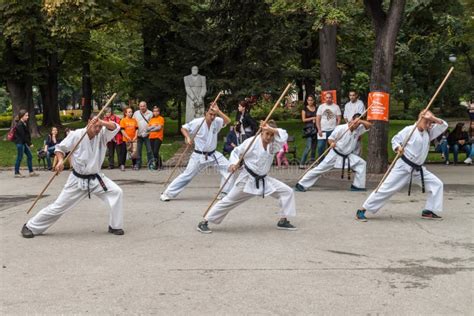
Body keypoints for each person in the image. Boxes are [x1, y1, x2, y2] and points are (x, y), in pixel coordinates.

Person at [21, 114, 124, 238]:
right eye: (95, 126)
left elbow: (115, 127)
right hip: (77, 180)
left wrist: (102, 122)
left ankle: (114, 226)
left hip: (96, 178)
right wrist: (60, 161)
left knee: (116, 192)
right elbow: (60, 148)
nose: (97, 129)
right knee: (58, 206)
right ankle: (30, 226)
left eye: (99, 126)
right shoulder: (76, 135)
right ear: (89, 122)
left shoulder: (102, 134)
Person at [197, 120, 296, 233]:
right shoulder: (252, 142)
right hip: (247, 180)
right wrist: (234, 164)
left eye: (271, 134)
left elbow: (284, 135)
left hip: (263, 180)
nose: (269, 137)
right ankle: (204, 221)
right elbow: (236, 152)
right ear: (261, 132)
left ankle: (283, 220)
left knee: (287, 192)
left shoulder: (273, 144)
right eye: (267, 133)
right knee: (229, 200)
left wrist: (271, 129)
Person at [355, 110, 448, 222]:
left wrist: (433, 118)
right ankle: (362, 210)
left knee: (437, 184)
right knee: (386, 188)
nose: (429, 125)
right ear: (421, 118)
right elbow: (395, 140)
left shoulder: (429, 132)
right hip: (403, 167)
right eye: (427, 122)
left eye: (431, 122)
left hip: (418, 169)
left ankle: (428, 211)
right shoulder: (409, 130)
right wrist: (398, 148)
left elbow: (444, 126)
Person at [160, 102, 232, 202]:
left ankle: (224, 193)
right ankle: (167, 193)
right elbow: (183, 128)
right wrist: (188, 137)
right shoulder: (198, 122)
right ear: (206, 113)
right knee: (187, 176)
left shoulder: (217, 121)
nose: (212, 117)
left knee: (229, 169)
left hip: (213, 154)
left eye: (214, 115)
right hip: (199, 155)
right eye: (210, 114)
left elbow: (228, 121)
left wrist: (218, 111)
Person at [295, 114, 372, 192]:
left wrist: (360, 121)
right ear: (351, 120)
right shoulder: (341, 128)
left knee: (361, 163)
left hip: (347, 155)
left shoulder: (358, 129)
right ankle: (301, 184)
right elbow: (330, 139)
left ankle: (358, 186)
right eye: (355, 122)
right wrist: (332, 143)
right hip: (335, 154)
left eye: (358, 124)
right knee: (320, 169)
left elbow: (369, 125)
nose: (356, 125)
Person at [316, 92, 342, 158]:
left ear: (332, 98)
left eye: (330, 97)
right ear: (324, 98)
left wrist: (336, 128)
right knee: (320, 147)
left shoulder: (336, 107)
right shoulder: (321, 107)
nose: (328, 99)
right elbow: (318, 119)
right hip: (323, 131)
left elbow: (339, 118)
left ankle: (329, 161)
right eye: (327, 97)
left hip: (332, 131)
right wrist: (319, 129)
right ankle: (321, 161)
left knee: (331, 148)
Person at [13, 110, 38, 178]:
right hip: (20, 144)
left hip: (23, 143)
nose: (27, 117)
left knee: (29, 156)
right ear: (22, 116)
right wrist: (29, 144)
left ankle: (31, 172)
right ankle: (16, 173)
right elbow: (23, 136)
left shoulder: (23, 123)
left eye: (27, 115)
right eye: (26, 115)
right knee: (19, 157)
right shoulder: (19, 124)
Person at [343, 91, 365, 155]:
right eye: (350, 95)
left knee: (357, 143)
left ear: (356, 96)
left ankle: (357, 159)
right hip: (349, 126)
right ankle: (350, 159)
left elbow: (360, 116)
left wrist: (356, 125)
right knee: (349, 142)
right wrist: (348, 124)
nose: (351, 97)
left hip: (358, 126)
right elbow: (345, 116)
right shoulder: (347, 105)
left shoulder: (360, 103)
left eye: (353, 95)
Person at [133, 101, 153, 169]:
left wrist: (148, 132)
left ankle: (150, 164)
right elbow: (133, 122)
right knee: (138, 151)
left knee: (149, 150)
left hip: (148, 135)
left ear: (146, 106)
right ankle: (138, 164)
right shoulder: (136, 113)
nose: (142, 107)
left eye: (143, 106)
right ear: (139, 107)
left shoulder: (150, 113)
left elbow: (152, 124)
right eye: (141, 106)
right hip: (138, 135)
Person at [299, 94, 318, 168]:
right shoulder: (304, 109)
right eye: (308, 100)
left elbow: (318, 117)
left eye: (311, 100)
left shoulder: (316, 108)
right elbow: (303, 120)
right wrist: (312, 118)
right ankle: (302, 163)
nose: (310, 101)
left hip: (316, 129)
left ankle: (312, 163)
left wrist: (316, 119)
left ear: (313, 101)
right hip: (309, 130)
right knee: (309, 146)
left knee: (314, 147)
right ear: (307, 101)